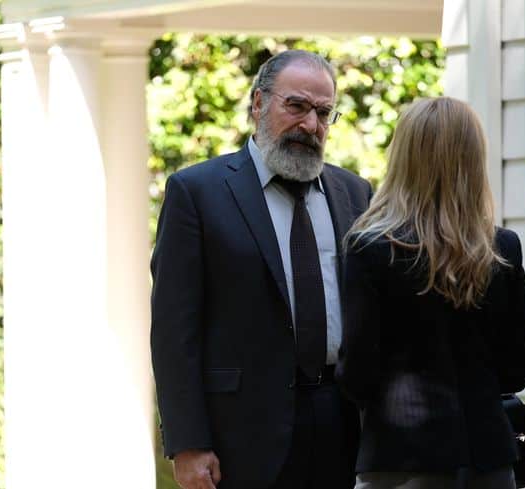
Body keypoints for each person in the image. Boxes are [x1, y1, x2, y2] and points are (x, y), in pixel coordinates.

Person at [150, 49, 372, 489]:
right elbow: (175, 332)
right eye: (296, 106)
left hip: (343, 426)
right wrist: (188, 443)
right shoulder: (197, 192)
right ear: (258, 103)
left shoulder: (354, 193)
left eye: (323, 113)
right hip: (241, 436)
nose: (310, 125)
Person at [336, 96, 525, 489]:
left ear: (403, 157)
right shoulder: (502, 247)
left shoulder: (369, 248)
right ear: (473, 160)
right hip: (488, 461)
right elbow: (516, 369)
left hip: (399, 462)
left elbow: (357, 375)